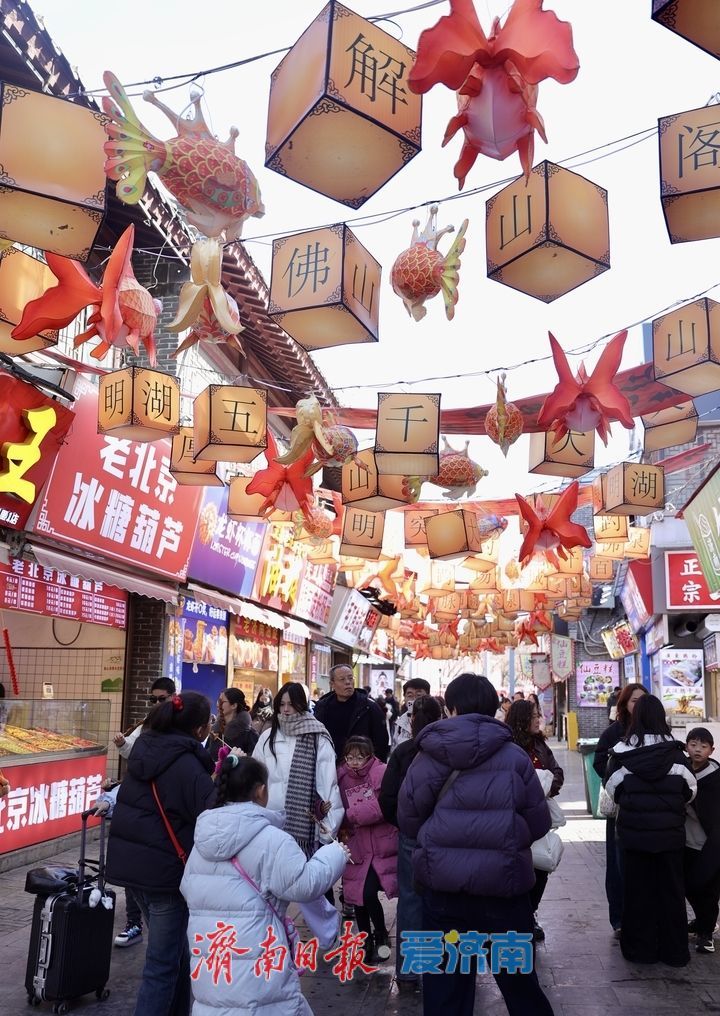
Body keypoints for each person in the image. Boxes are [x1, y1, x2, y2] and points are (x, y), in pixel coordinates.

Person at [398, 673, 554, 1016]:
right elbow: (539, 821)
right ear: (492, 707)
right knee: (519, 983)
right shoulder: (514, 757)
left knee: (446, 986)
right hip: (505, 888)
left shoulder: (428, 756)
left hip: (444, 890)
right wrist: (504, 839)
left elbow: (408, 818)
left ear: (450, 708)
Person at [181, 755, 349, 1016]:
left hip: (213, 962)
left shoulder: (203, 839)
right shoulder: (272, 839)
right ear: (260, 791)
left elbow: (187, 887)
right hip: (258, 966)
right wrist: (334, 854)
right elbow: (303, 884)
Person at [106, 691, 216, 1016]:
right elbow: (211, 817)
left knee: (176, 956)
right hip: (165, 876)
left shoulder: (146, 751)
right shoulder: (187, 765)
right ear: (199, 730)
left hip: (133, 871)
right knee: (161, 968)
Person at [604, 694, 696, 967]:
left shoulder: (620, 755)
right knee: (671, 893)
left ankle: (639, 951)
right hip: (670, 838)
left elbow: (613, 791)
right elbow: (689, 791)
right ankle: (674, 952)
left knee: (637, 894)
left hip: (634, 838)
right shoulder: (677, 754)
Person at [252, 681, 344, 946]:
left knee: (302, 886)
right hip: (269, 822)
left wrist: (329, 826)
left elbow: (328, 784)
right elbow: (255, 776)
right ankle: (271, 937)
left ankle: (329, 933)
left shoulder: (317, 736)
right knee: (270, 884)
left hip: (303, 824)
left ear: (303, 705)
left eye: (292, 704)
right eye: (282, 704)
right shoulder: (268, 736)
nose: (286, 709)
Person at [379, 695, 442, 992]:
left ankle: (407, 972)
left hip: (411, 835)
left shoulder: (404, 752)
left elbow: (387, 799)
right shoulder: (451, 752)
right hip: (446, 836)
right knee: (446, 899)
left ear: (412, 720)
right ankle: (443, 966)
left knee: (410, 899)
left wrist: (404, 824)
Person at [110, 676, 177, 950]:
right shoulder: (146, 724)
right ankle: (135, 923)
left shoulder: (179, 726)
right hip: (141, 807)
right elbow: (135, 756)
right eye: (154, 700)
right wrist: (123, 745)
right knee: (134, 869)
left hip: (165, 811)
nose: (157, 704)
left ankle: (159, 933)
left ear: (174, 696)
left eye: (162, 699)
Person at [506, 699, 564, 942]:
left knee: (540, 868)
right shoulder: (506, 747)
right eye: (534, 715)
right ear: (521, 719)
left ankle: (529, 914)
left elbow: (557, 772)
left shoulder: (540, 744)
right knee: (517, 869)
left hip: (539, 819)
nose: (538, 719)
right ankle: (515, 919)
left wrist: (547, 787)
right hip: (513, 820)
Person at [337, 735, 398, 963]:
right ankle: (364, 938)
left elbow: (381, 808)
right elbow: (334, 807)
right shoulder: (340, 776)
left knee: (368, 892)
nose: (354, 762)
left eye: (359, 757)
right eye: (350, 757)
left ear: (369, 756)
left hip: (379, 844)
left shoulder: (381, 773)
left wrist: (351, 815)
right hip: (355, 844)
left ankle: (380, 932)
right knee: (356, 896)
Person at [593, 682, 647, 935]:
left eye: (643, 700)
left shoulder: (655, 731)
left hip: (650, 810)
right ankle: (620, 918)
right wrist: (620, 781)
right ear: (624, 704)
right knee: (618, 863)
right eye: (634, 700)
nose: (638, 705)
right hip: (622, 808)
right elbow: (599, 762)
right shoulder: (614, 732)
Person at [684, 727, 720, 954]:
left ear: (711, 750)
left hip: (710, 842)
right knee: (689, 885)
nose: (697, 749)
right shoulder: (681, 769)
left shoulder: (715, 777)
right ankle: (702, 922)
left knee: (707, 887)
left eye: (703, 746)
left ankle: (706, 933)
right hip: (686, 840)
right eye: (693, 744)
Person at [313, 664, 389, 762]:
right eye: (342, 679)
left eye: (350, 678)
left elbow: (381, 741)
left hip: (361, 768)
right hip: (329, 765)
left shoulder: (369, 707)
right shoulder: (322, 707)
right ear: (332, 684)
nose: (348, 682)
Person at [210, 687, 258, 761]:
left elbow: (254, 760)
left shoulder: (248, 733)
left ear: (234, 706)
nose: (218, 704)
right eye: (218, 700)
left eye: (222, 701)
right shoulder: (214, 730)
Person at [392, 678, 431, 747]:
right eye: (410, 696)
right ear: (404, 698)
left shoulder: (434, 721)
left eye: (419, 695)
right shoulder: (400, 723)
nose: (414, 699)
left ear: (428, 697)